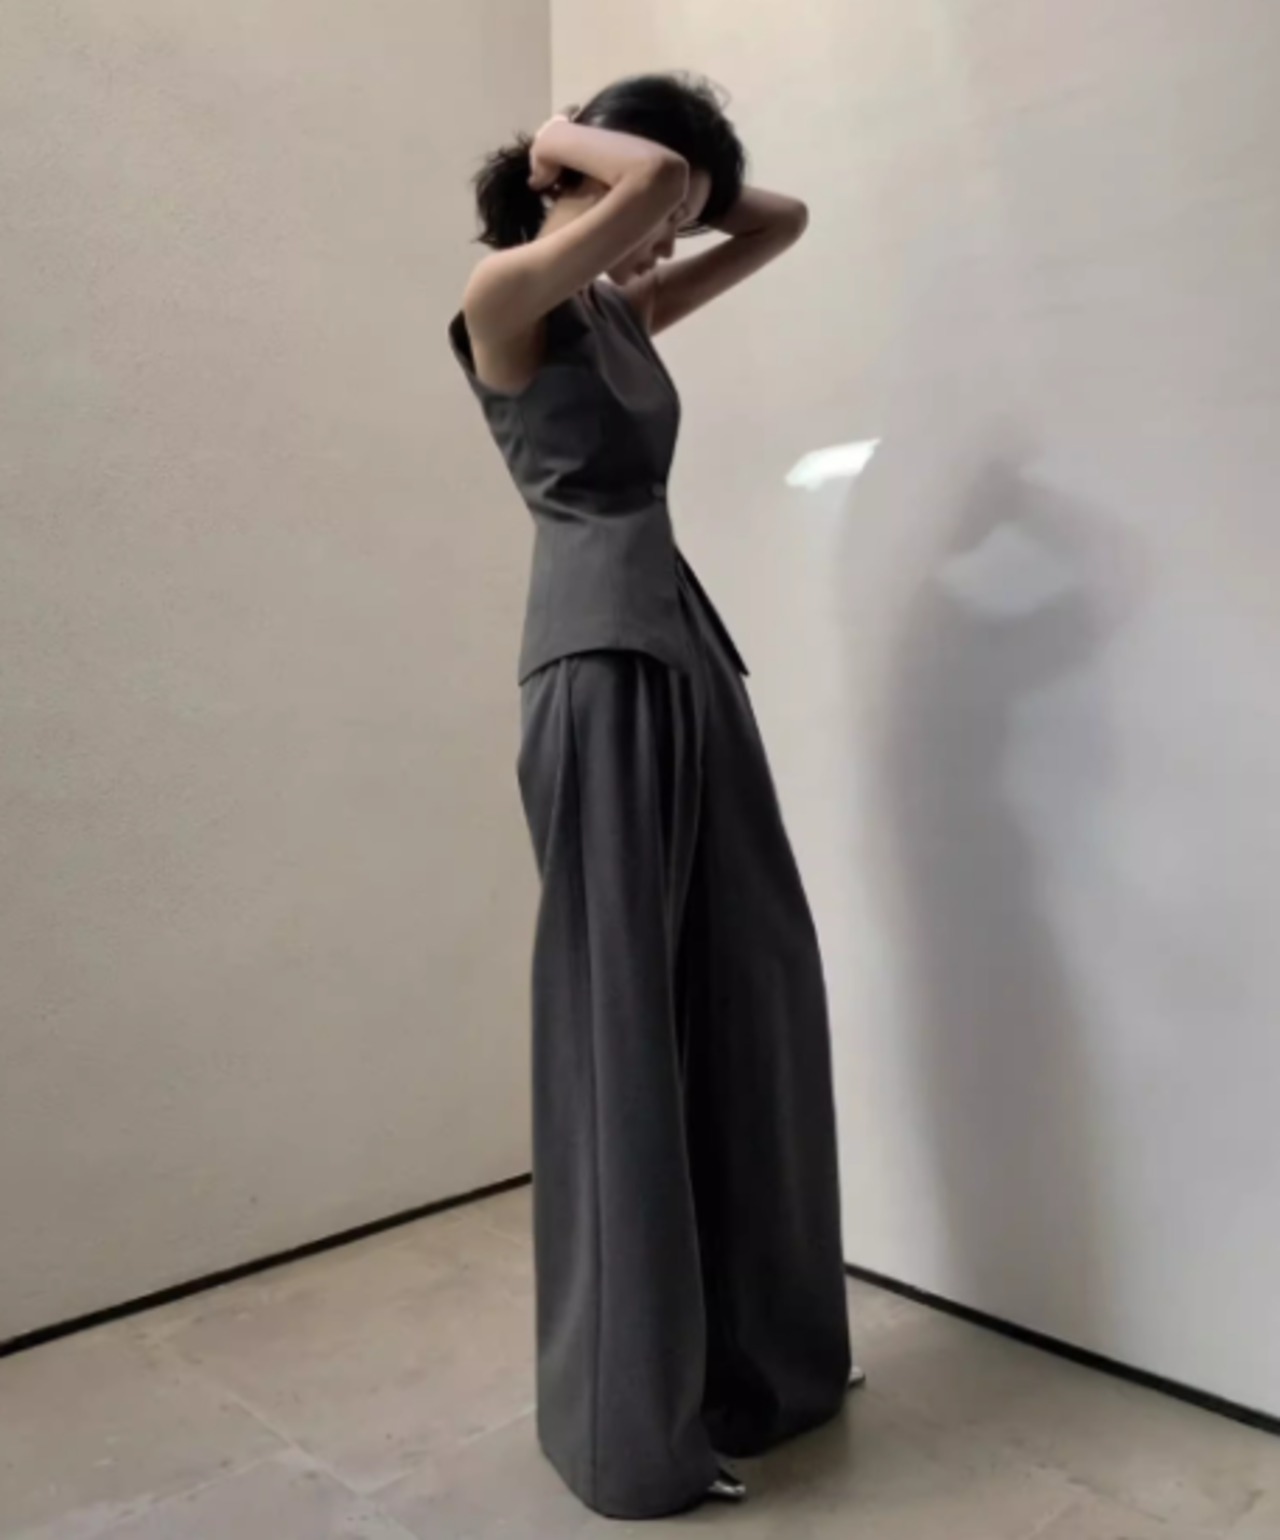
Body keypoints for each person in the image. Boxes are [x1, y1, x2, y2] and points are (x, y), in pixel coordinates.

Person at [449, 73, 859, 1521]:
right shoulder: (505, 299)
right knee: (621, 1014)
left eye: (676, 204)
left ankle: (762, 1365)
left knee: (752, 979)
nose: (669, 231)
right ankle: (630, 1430)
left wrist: (670, 178)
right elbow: (642, 194)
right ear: (567, 177)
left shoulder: (619, 309)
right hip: (596, 661)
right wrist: (567, 141)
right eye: (653, 197)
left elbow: (782, 221)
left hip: (688, 653)